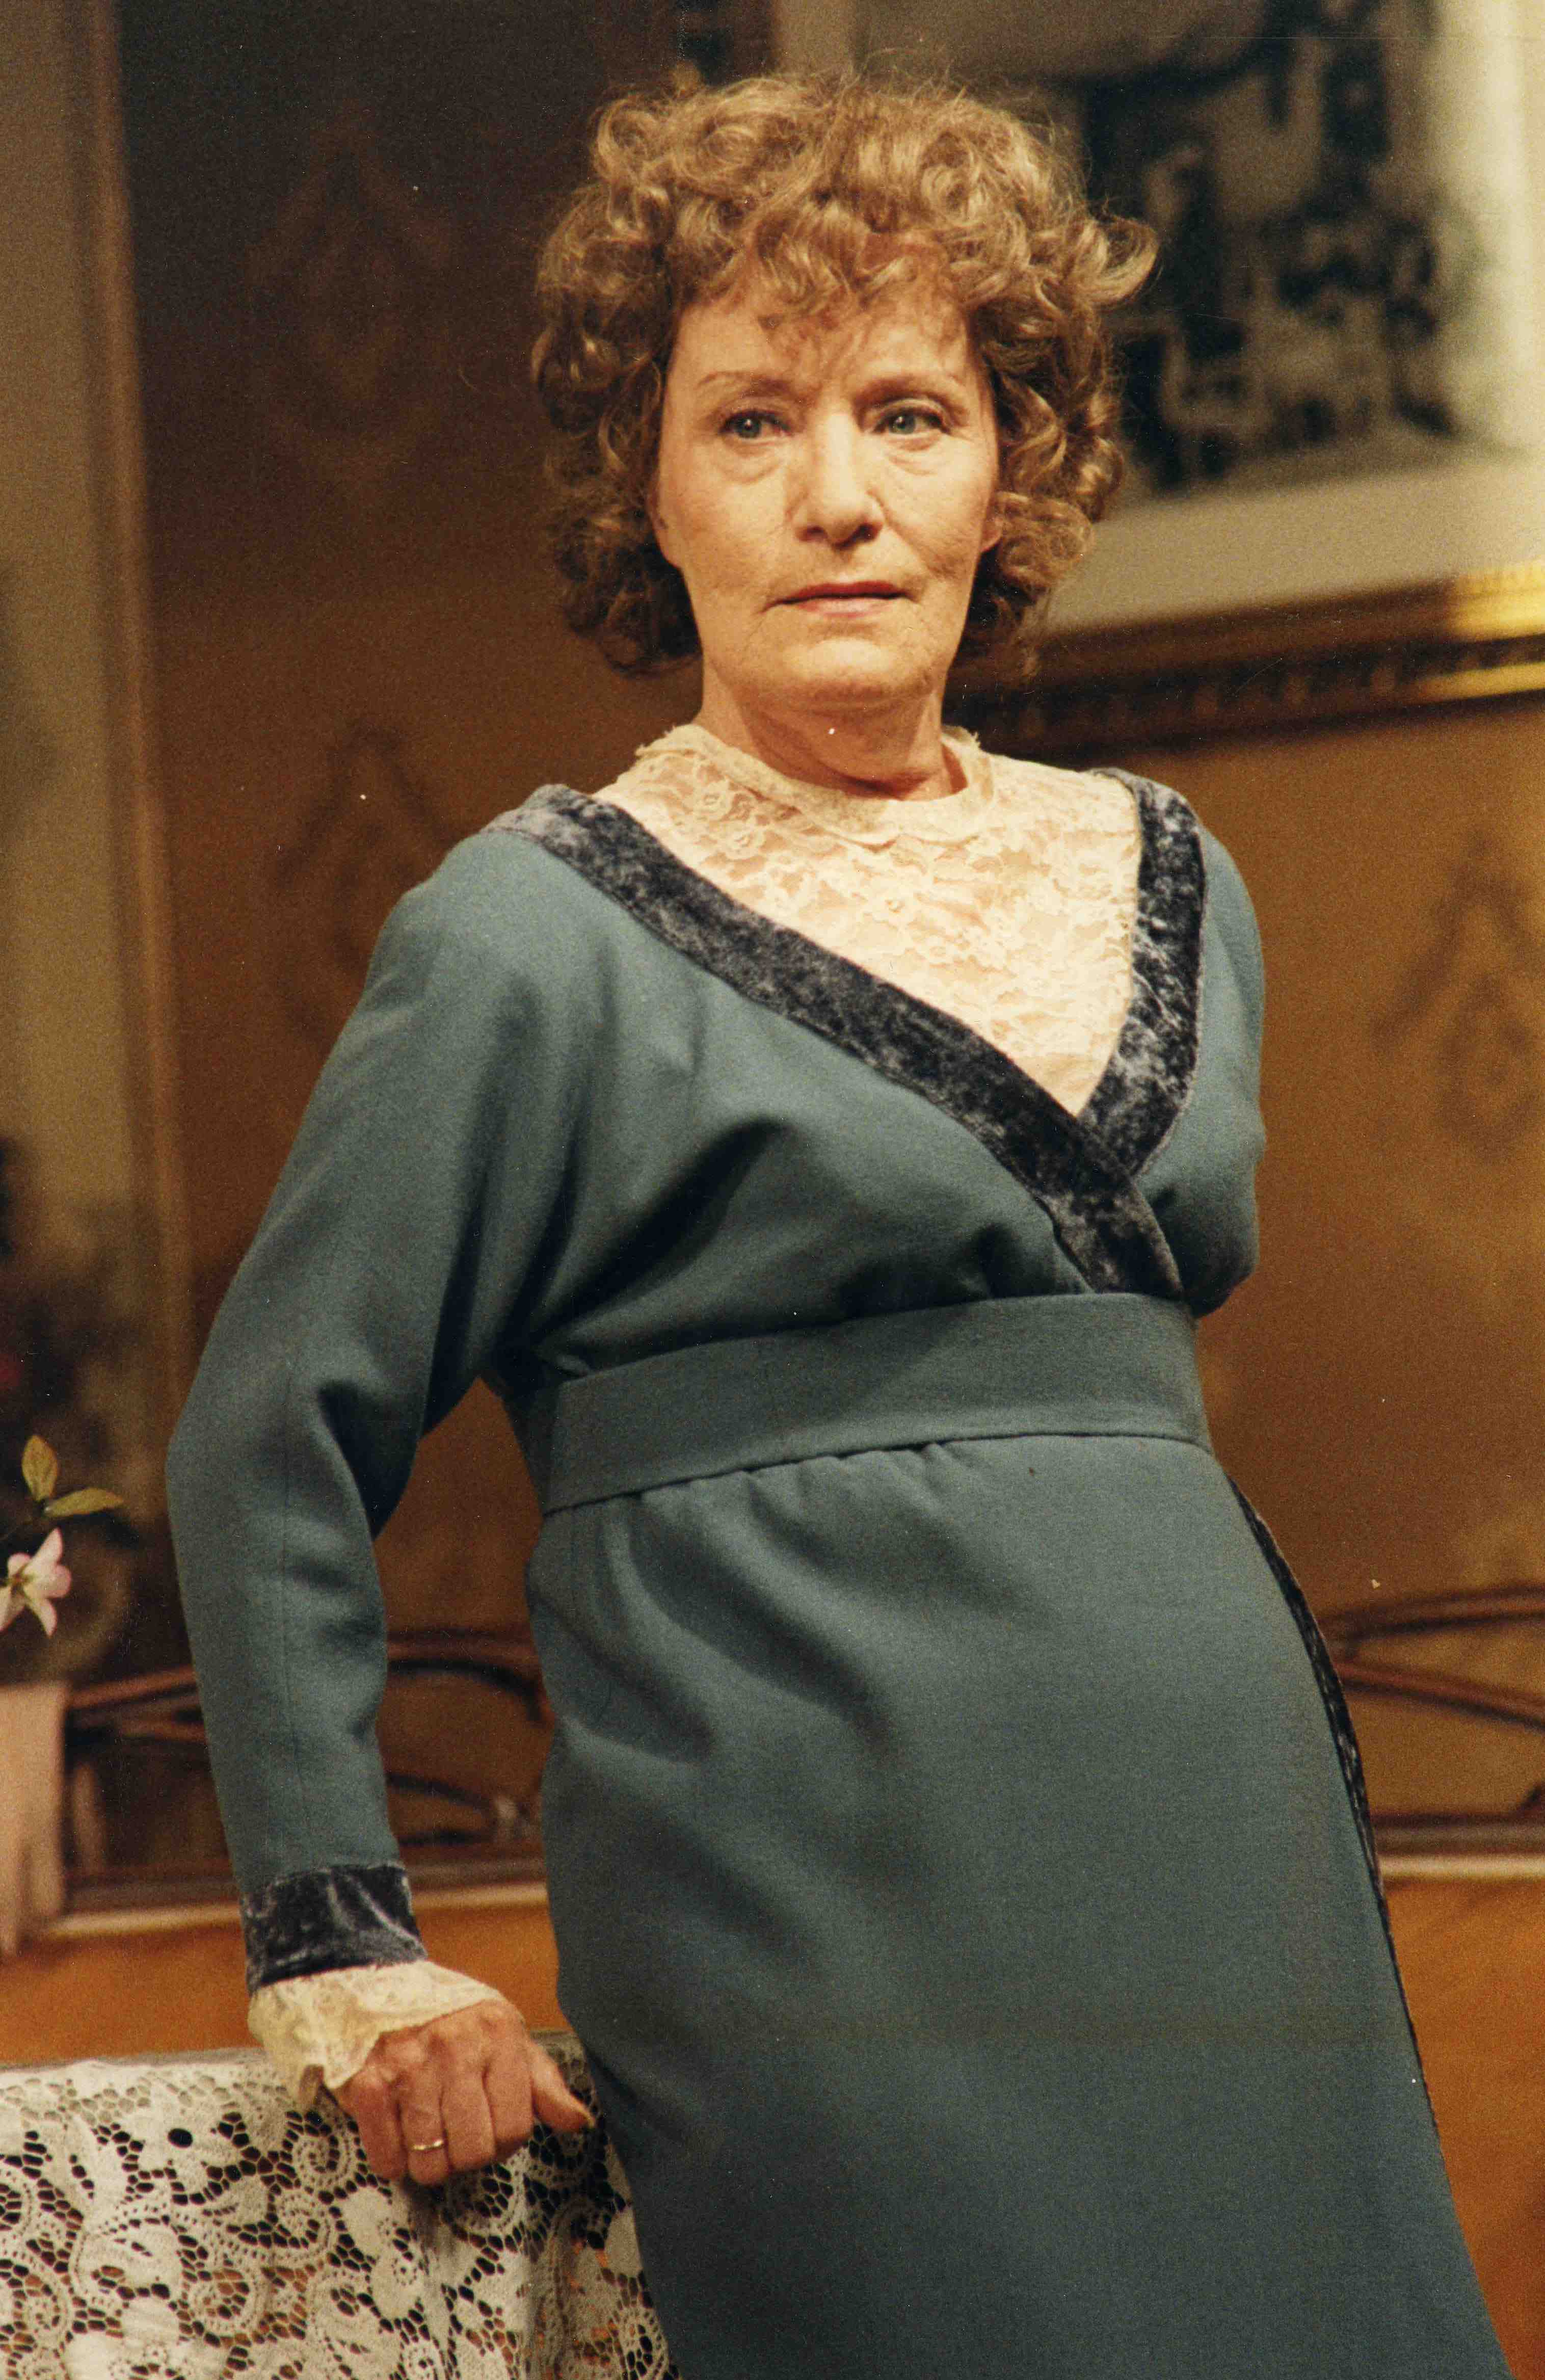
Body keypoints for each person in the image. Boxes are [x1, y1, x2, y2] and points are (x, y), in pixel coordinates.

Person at [167, 73, 1513, 2380]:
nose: (838, 498)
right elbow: (267, 1434)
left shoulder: (1170, 869)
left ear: (1010, 467)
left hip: (1225, 1868)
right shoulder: (525, 934)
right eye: (750, 421)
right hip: (799, 1888)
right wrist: (343, 1938)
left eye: (908, 414)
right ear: (649, 488)